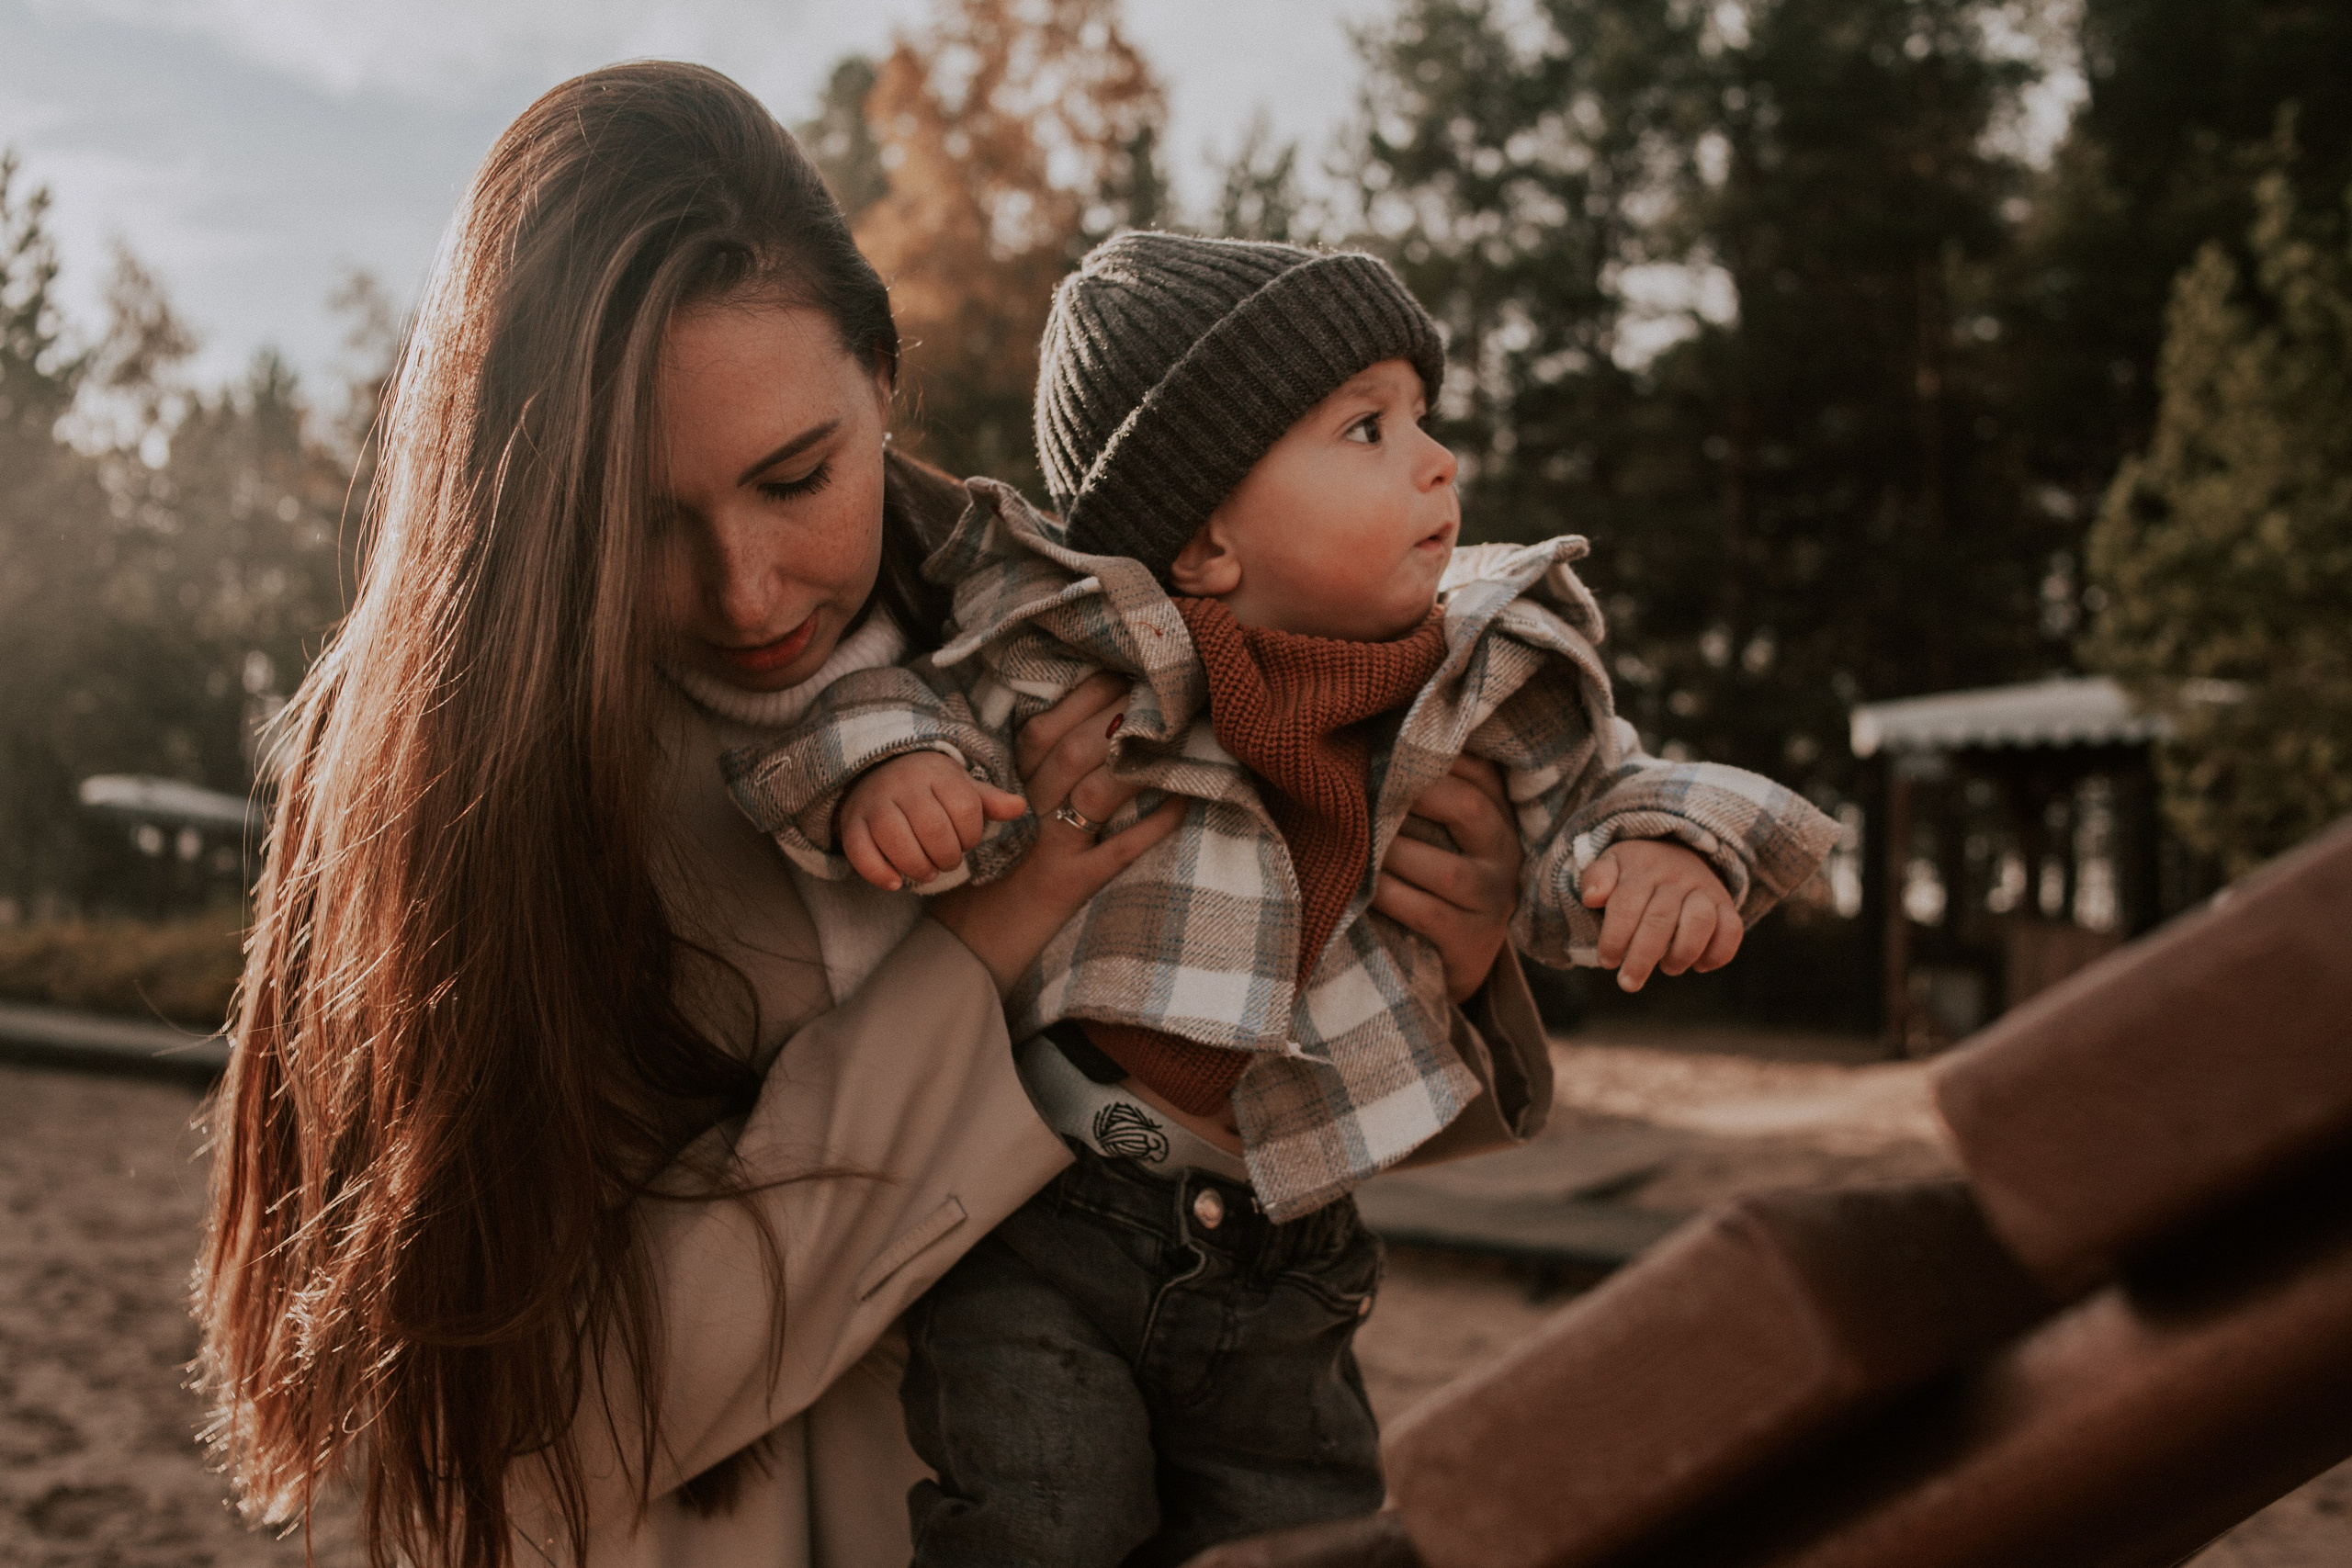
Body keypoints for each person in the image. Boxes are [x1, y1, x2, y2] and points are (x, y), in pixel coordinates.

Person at [192, 64, 1551, 1568]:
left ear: (883, 379)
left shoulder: (1076, 636)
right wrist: (976, 957)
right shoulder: (441, 789)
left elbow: (1221, 1131)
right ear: (528, 497)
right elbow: (555, 1425)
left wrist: (1444, 939)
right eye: (643, 523)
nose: (746, 591)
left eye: (797, 478)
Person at [728, 231, 1841, 1564]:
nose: (1437, 460)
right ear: (1205, 541)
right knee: (1042, 1522)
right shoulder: (1078, 647)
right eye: (1367, 429)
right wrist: (894, 774)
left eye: (1422, 417)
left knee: (1305, 1533)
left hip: (1287, 1249)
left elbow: (1607, 790)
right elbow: (905, 706)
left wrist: (1665, 851)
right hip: (1048, 1214)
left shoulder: (1482, 670)